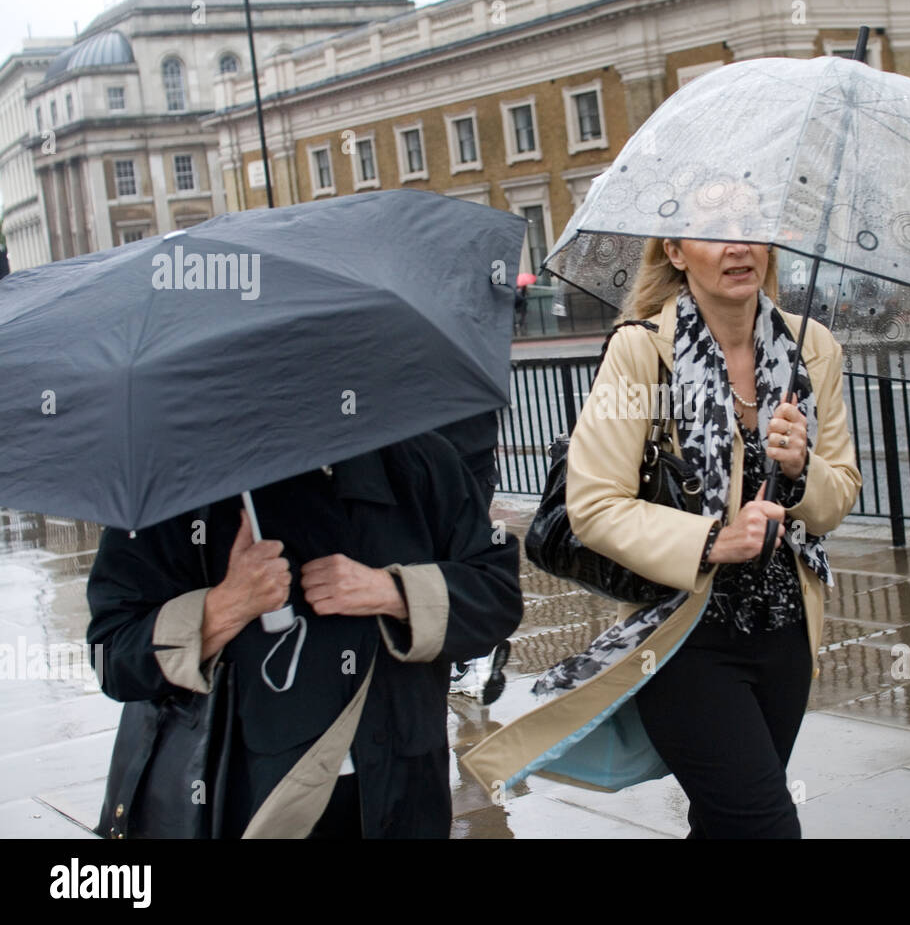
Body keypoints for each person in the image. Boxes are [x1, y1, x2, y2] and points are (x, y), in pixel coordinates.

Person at [461, 233, 861, 838]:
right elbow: (595, 503)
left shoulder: (813, 348)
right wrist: (713, 541)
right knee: (765, 825)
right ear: (675, 253)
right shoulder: (643, 349)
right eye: (714, 234)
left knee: (726, 821)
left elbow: (840, 495)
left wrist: (802, 468)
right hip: (684, 634)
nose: (737, 249)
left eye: (749, 231)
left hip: (787, 632)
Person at [86, 431, 523, 838]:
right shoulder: (174, 485)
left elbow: (496, 599)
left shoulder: (419, 460)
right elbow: (114, 655)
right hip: (249, 805)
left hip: (405, 797)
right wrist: (223, 608)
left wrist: (391, 592)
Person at [434, 410, 511, 705]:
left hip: (441, 467)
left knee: (444, 567)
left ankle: (468, 658)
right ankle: (476, 650)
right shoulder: (471, 383)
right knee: (468, 558)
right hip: (479, 464)